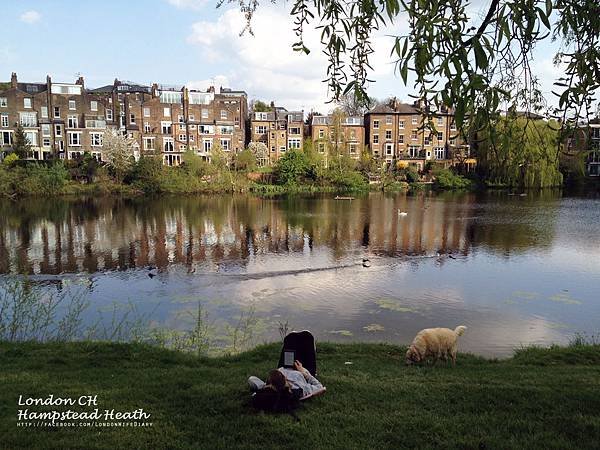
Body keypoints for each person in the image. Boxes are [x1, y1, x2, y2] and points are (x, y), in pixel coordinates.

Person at [248, 360, 326, 400]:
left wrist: (265, 387)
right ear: (285, 378)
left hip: (285, 365)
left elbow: (251, 379)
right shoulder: (300, 389)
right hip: (300, 369)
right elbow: (320, 387)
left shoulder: (267, 388)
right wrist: (304, 372)